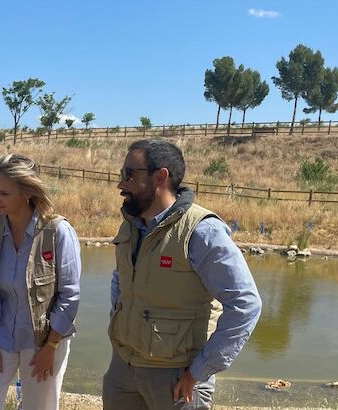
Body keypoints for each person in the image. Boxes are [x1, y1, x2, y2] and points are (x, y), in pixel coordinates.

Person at [103, 139, 262, 410]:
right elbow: (121, 277)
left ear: (160, 177)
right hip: (123, 368)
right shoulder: (130, 226)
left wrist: (199, 372)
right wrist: (120, 321)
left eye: (129, 174)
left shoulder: (201, 231)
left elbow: (245, 305)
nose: (121, 184)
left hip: (177, 376)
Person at [0, 153, 81, 410]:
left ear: (26, 192)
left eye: (4, 193)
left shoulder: (57, 231)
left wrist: (51, 346)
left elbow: (70, 295)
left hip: (44, 341)